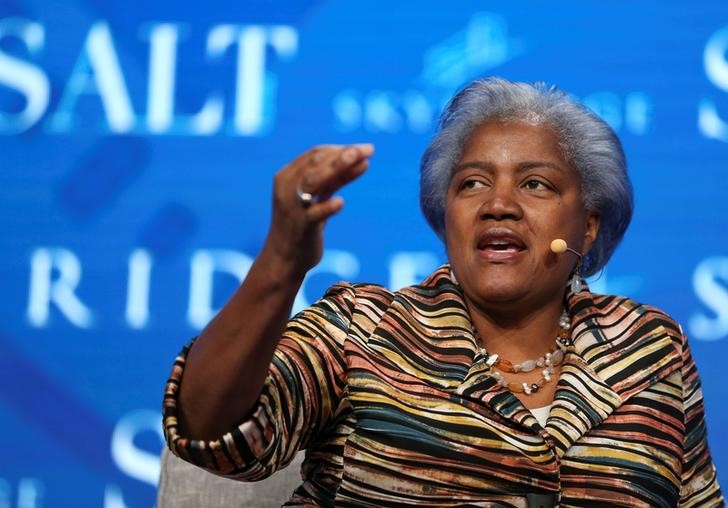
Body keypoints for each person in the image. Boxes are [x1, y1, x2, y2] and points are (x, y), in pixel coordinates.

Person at [162, 77, 723, 506]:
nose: (497, 204)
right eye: (472, 183)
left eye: (535, 184)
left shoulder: (650, 348)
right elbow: (214, 431)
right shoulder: (363, 328)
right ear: (445, 216)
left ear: (589, 225)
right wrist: (282, 263)